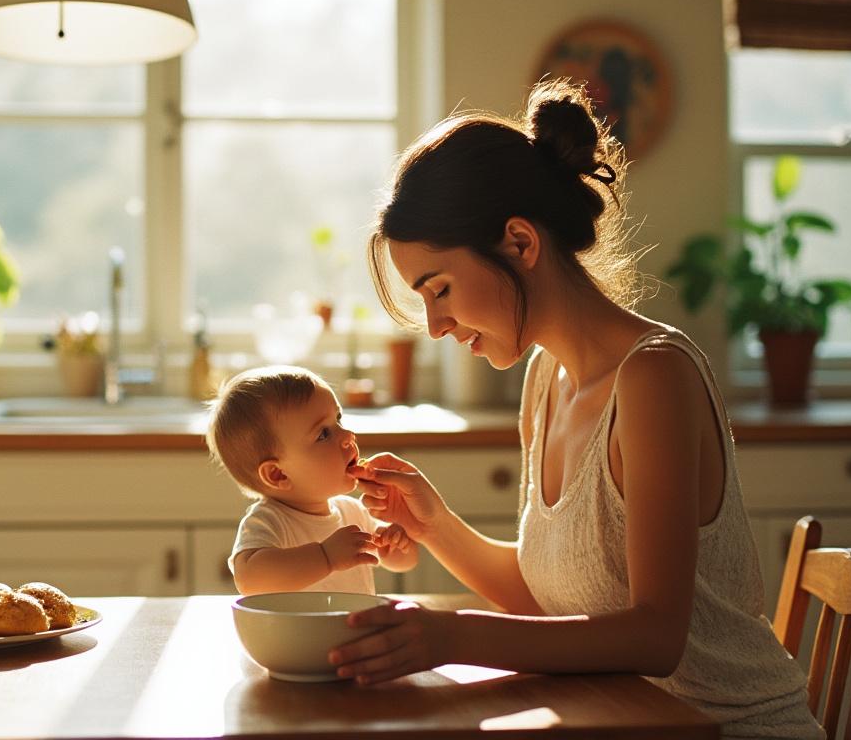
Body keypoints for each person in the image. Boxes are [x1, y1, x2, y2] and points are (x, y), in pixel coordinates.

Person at [332, 78, 823, 739]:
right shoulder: (545, 378)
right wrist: (434, 524)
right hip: (620, 724)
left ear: (520, 243)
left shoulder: (653, 377)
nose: (436, 325)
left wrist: (451, 636)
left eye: (439, 288)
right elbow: (553, 603)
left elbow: (654, 637)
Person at [206, 365, 417, 595]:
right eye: (323, 434)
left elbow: (405, 562)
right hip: (296, 633)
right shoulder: (268, 521)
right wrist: (325, 556)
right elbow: (249, 580)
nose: (348, 436)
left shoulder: (353, 512)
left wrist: (396, 544)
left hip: (355, 629)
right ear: (278, 474)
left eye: (339, 419)